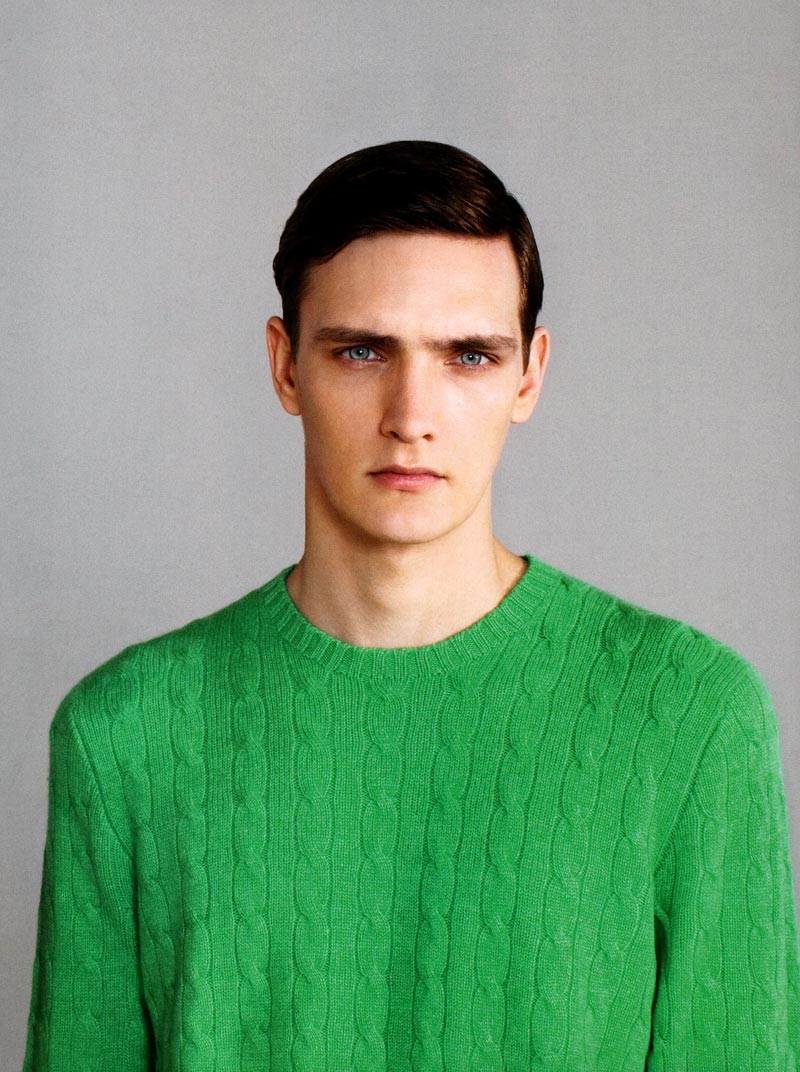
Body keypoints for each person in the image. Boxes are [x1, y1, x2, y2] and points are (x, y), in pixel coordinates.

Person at [23, 139, 800, 1070]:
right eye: (361, 351)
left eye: (469, 355)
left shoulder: (690, 717)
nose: (411, 415)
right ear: (285, 367)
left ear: (529, 375)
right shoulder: (125, 735)